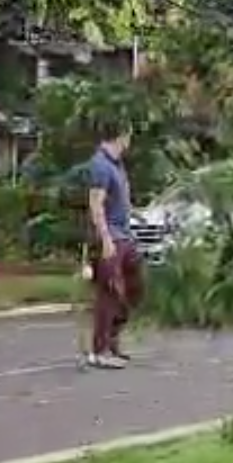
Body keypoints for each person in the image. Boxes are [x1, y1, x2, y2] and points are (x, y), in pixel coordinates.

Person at [84, 130, 143, 369]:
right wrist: (105, 239)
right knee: (109, 293)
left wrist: (137, 213)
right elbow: (95, 205)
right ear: (121, 136)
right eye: (128, 134)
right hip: (110, 239)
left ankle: (113, 340)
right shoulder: (100, 165)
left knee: (134, 288)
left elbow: (121, 201)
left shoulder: (117, 165)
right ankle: (99, 351)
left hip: (125, 237)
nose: (130, 140)